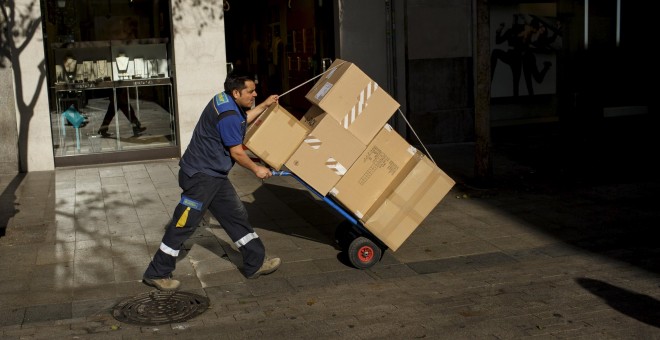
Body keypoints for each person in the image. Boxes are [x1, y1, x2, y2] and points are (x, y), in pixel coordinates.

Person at [142, 71, 281, 291]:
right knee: (183, 224)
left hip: (213, 176)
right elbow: (237, 152)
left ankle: (254, 264)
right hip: (201, 178)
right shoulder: (229, 117)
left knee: (236, 215)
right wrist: (257, 169)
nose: (254, 94)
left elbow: (241, 120)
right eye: (250, 91)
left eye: (255, 90)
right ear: (236, 92)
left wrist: (264, 105)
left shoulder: (223, 99)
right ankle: (156, 272)